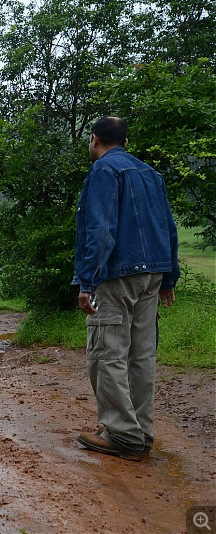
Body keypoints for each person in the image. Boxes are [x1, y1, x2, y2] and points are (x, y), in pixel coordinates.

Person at [72, 116, 179, 461]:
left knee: (108, 354)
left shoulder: (104, 171)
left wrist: (87, 282)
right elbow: (169, 228)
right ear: (126, 143)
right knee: (141, 356)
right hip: (152, 276)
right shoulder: (152, 175)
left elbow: (101, 231)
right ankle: (141, 432)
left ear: (94, 140)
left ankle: (122, 435)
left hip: (117, 276)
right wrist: (169, 278)